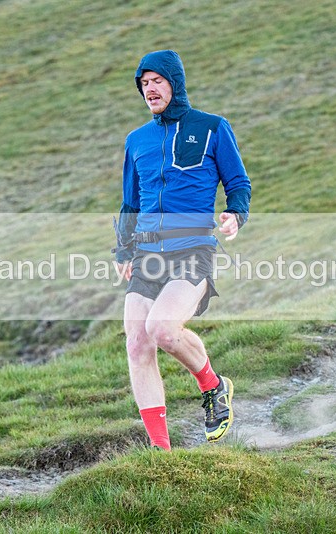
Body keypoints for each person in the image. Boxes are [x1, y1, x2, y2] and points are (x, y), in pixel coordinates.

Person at [113, 50, 251, 450]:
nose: (149, 89)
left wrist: (236, 214)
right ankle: (162, 452)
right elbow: (130, 203)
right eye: (143, 84)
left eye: (157, 81)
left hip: (193, 250)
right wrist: (123, 250)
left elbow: (238, 183)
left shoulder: (212, 128)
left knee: (162, 329)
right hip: (146, 254)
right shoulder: (136, 140)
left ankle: (213, 385)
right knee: (137, 342)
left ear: (175, 82)